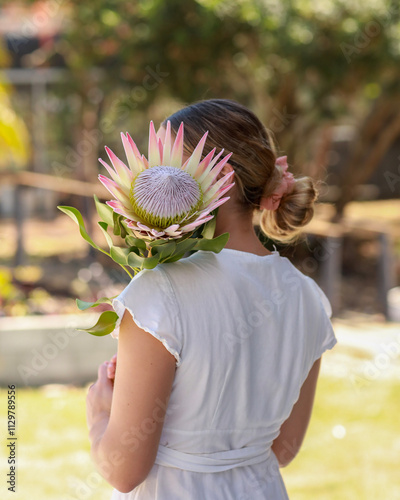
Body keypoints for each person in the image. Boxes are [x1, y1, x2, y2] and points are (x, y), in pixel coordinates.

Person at [86, 99, 337, 499]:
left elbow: (124, 469)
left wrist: (100, 417)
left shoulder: (159, 294)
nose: (155, 178)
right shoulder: (308, 297)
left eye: (169, 166)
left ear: (218, 175)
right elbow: (284, 449)